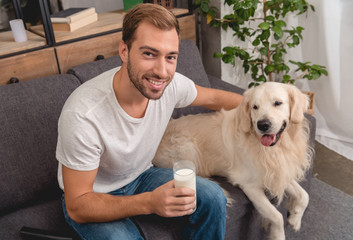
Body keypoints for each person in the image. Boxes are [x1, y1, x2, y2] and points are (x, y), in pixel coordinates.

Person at [56, 3, 243, 240]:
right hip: (94, 194)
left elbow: (215, 97)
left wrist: (263, 110)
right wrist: (148, 203)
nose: (162, 71)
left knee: (213, 197)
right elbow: (77, 205)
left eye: (170, 57)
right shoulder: (83, 115)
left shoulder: (170, 85)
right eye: (149, 54)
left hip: (141, 176)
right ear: (124, 51)